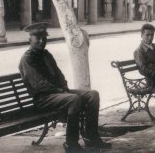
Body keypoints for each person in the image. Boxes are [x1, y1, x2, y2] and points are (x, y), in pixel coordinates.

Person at [18, 22, 110, 152]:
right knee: (74, 99)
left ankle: (91, 137)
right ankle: (71, 144)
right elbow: (39, 85)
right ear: (30, 40)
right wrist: (62, 91)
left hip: (57, 94)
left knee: (93, 95)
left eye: (44, 38)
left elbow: (59, 75)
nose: (41, 41)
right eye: (37, 38)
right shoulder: (28, 59)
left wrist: (64, 87)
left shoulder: (46, 55)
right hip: (42, 99)